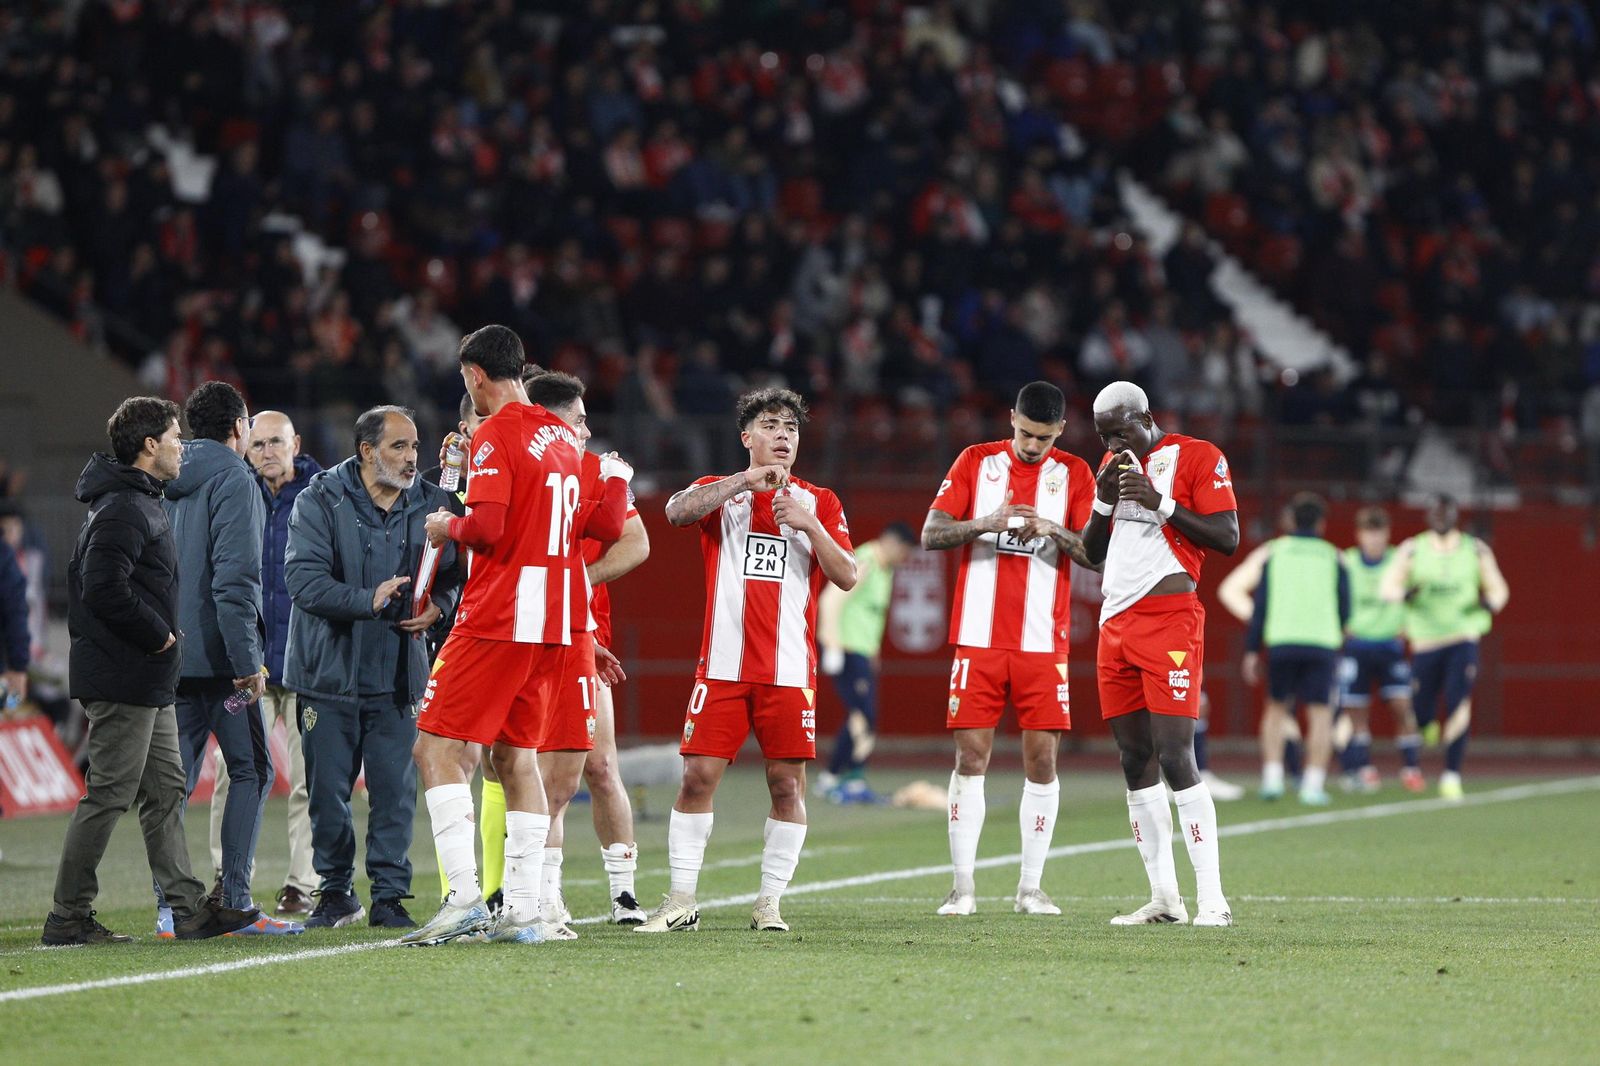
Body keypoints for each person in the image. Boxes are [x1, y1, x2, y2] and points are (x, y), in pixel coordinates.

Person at [636, 387, 857, 934]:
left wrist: (809, 524)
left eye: (792, 428)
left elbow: (848, 575)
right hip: (723, 668)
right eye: (771, 426)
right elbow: (674, 511)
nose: (784, 436)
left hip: (788, 671)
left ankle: (769, 904)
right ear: (746, 437)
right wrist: (743, 481)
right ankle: (680, 900)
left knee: (787, 786)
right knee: (697, 778)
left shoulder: (820, 501)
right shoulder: (723, 492)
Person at [43, 397, 259, 944]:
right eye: (174, 436)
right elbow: (101, 586)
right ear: (149, 445)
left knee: (165, 792)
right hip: (125, 676)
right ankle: (68, 915)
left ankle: (189, 910)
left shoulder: (140, 499)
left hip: (149, 678)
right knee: (109, 794)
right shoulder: (123, 507)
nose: (182, 445)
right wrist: (158, 633)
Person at [405, 324, 593, 946]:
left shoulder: (495, 433)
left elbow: (488, 527)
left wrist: (446, 525)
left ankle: (463, 898)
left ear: (476, 375)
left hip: (501, 614)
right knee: (515, 758)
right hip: (555, 620)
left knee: (434, 748)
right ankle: (523, 910)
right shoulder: (561, 436)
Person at [920, 381, 1096, 917]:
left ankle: (1030, 888)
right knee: (970, 757)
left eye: (1044, 438)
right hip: (978, 638)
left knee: (1042, 761)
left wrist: (1053, 528)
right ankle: (962, 888)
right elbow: (931, 533)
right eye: (1025, 434)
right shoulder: (976, 462)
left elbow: (1094, 553)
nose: (1033, 446)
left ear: (1060, 430)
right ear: (1012, 419)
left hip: (1043, 642)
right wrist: (986, 523)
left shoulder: (1075, 474)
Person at [284, 405, 463, 929]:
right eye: (398, 447)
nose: (411, 458)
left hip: (398, 674)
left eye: (414, 447)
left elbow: (458, 574)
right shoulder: (319, 499)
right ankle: (336, 891)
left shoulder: (433, 502)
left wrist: (440, 607)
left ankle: (389, 896)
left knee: (395, 795)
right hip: (329, 674)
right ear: (367, 451)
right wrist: (368, 599)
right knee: (327, 796)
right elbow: (303, 581)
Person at [1081, 381, 1240, 928]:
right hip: (1115, 622)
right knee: (1134, 759)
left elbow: (1227, 536)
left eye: (1119, 433)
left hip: (1169, 619)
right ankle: (1165, 897)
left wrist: (1160, 502)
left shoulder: (1198, 456)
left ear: (1145, 418)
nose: (1112, 445)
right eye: (1104, 437)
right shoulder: (1110, 467)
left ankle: (1213, 899)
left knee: (1176, 756)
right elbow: (1090, 553)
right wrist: (1103, 500)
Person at [159, 382, 299, 935]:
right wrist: (248, 663)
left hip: (170, 657)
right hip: (223, 665)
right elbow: (235, 581)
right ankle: (234, 900)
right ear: (239, 427)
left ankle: (170, 908)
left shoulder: (163, 475)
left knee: (172, 782)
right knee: (252, 769)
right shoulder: (236, 479)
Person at [516, 371, 634, 936]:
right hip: (520, 635)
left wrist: (576, 585)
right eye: (580, 420)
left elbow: (633, 539)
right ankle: (513, 895)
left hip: (579, 635)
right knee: (515, 770)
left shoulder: (589, 468)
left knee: (588, 768)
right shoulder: (511, 462)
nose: (587, 431)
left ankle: (619, 892)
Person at [207, 411, 323, 916]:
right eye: (257, 444)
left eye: (277, 441)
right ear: (245, 448)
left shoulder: (323, 495)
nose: (268, 451)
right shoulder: (234, 494)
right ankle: (226, 875)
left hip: (303, 667)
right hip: (247, 670)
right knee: (229, 769)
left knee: (308, 777)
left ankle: (302, 883)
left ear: (296, 444)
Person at [1379, 495, 1509, 800]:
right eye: (1436, 513)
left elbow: (1499, 589)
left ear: (1455, 516)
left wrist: (1489, 603)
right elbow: (1387, 587)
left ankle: (1451, 774)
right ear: (1428, 517)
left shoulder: (1475, 549)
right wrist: (1404, 594)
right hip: (1425, 640)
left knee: (1458, 702)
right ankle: (1428, 726)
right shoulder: (1412, 549)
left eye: (1446, 513)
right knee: (1421, 707)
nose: (1441, 518)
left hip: (1463, 637)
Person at [1240, 493, 1349, 806]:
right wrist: (1336, 633)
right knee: (1320, 715)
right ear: (1321, 523)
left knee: (1275, 710)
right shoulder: (1334, 556)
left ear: (1290, 520)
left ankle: (1272, 779)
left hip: (1282, 642)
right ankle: (1312, 785)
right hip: (1322, 643)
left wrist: (1252, 649)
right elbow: (1345, 606)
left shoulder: (1274, 553)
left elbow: (1260, 606)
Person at [815, 521, 916, 805]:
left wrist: (873, 653)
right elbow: (830, 600)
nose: (904, 560)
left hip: (861, 652)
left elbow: (871, 615)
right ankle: (843, 778)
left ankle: (841, 778)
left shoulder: (886, 570)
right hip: (846, 648)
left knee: (862, 717)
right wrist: (832, 646)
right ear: (892, 543)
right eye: (904, 553)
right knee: (863, 716)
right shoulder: (865, 561)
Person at [1337, 506, 1423, 793]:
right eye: (1368, 532)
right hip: (1357, 646)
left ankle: (1411, 768)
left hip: (1390, 645)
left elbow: (1414, 597)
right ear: (1359, 535)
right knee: (1356, 712)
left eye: (1378, 532)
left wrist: (1407, 627)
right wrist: (1341, 626)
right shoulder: (1347, 562)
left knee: (1403, 708)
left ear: (1387, 534)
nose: (1373, 539)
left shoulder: (1399, 561)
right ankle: (1365, 769)